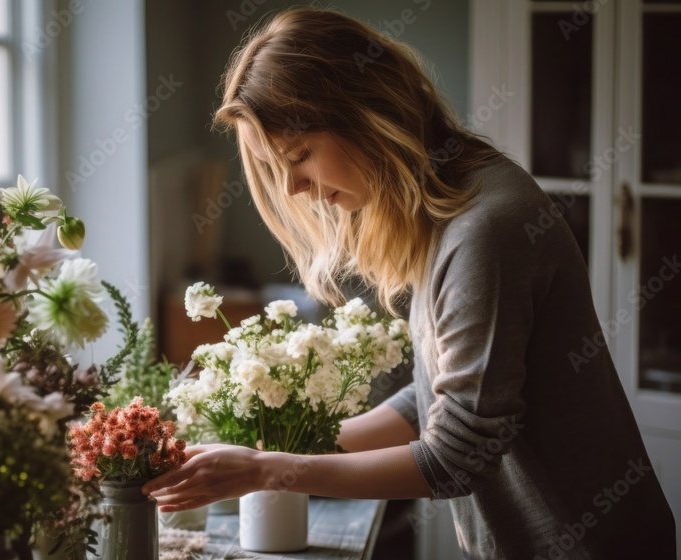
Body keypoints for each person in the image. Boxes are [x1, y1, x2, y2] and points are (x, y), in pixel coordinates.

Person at [142, 7, 676, 559]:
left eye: (299, 156)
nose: (295, 187)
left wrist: (269, 470)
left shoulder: (486, 229)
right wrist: (273, 447)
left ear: (364, 112)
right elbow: (434, 397)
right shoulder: (454, 207)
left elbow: (456, 455)